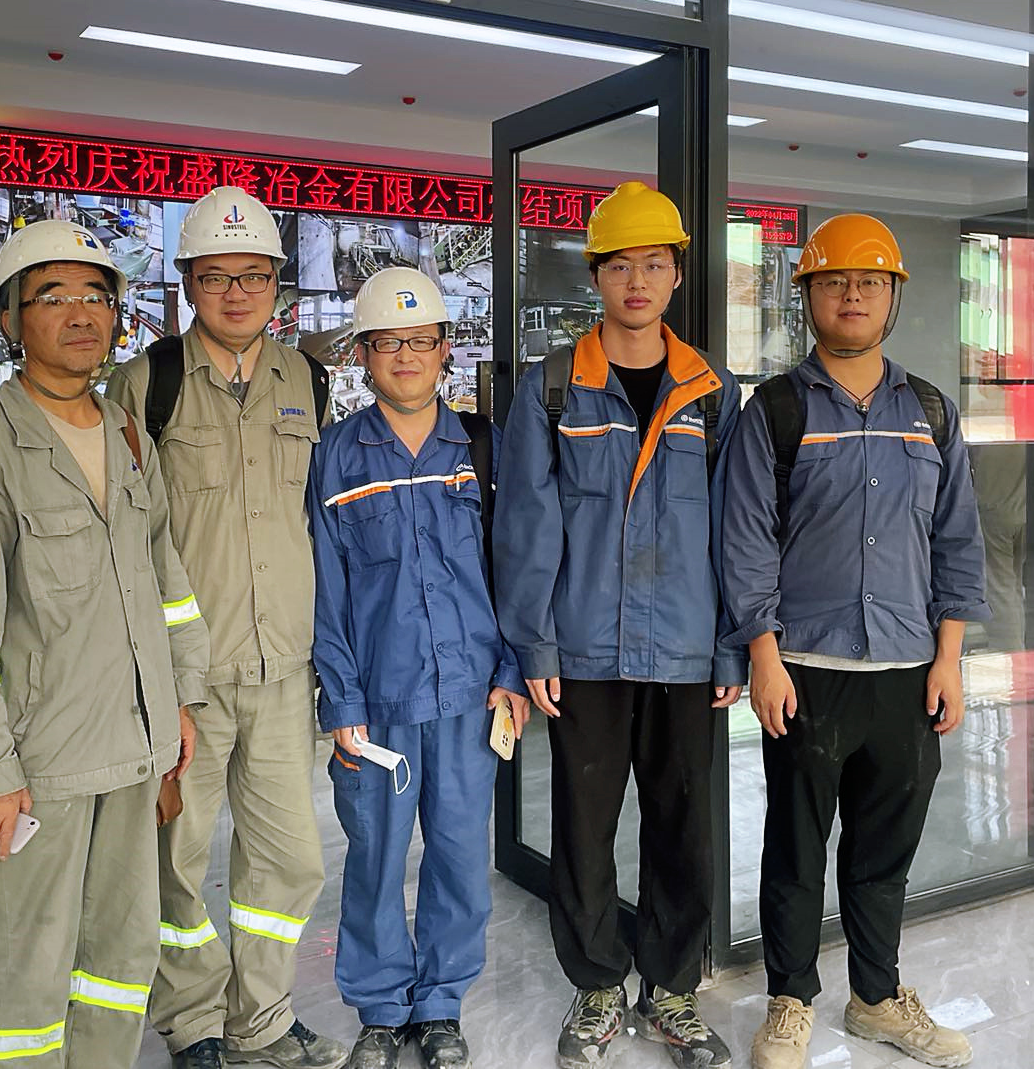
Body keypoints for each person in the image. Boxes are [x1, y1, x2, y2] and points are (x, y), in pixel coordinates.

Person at [0, 219, 211, 1069]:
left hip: (136, 749)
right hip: (37, 767)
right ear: (10, 318)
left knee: (121, 961)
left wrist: (179, 704)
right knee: (23, 977)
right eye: (52, 296)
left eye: (96, 296)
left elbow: (166, 584)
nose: (81, 313)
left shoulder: (126, 434)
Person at [715, 213, 988, 1069]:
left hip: (908, 670)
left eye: (870, 282)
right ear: (808, 297)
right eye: (834, 281)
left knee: (884, 853)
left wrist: (949, 659)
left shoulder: (930, 410)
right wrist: (763, 656)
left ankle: (875, 997)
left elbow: (958, 540)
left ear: (894, 296)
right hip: (807, 671)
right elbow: (746, 540)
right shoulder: (776, 409)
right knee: (795, 850)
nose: (853, 295)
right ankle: (790, 1003)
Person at [493, 182, 743, 1069]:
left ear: (676, 275)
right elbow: (527, 525)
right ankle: (598, 985)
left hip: (685, 648)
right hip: (586, 650)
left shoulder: (712, 393)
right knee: (583, 826)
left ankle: (672, 990)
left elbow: (736, 530)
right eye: (620, 265)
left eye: (654, 264)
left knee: (682, 826)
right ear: (595, 276)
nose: (637, 281)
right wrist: (534, 644)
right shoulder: (555, 388)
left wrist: (731, 645)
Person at [105, 186, 346, 1069]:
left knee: (288, 863)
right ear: (187, 284)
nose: (236, 294)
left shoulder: (307, 381)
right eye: (215, 277)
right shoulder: (148, 384)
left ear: (278, 283)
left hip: (284, 670)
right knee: (174, 858)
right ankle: (194, 1024)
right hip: (186, 681)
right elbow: (124, 538)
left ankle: (263, 1020)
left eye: (253, 277)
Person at [308, 268, 530, 1069]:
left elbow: (516, 568)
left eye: (421, 341)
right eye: (387, 343)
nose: (406, 356)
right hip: (379, 702)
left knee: (460, 856)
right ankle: (379, 1005)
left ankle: (440, 1003)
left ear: (445, 350)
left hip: (472, 695)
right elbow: (326, 589)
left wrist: (514, 670)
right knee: (373, 858)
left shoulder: (481, 446)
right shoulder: (336, 456)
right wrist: (342, 702)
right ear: (363, 355)